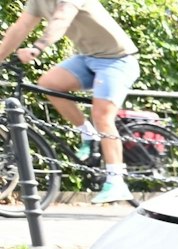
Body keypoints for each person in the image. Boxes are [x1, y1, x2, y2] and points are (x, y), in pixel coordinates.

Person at [0, 0, 141, 204]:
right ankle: (88, 133)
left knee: (102, 115)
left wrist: (37, 48)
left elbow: (61, 20)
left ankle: (117, 182)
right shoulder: (38, 2)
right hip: (87, 58)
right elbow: (20, 27)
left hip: (117, 60)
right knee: (48, 83)